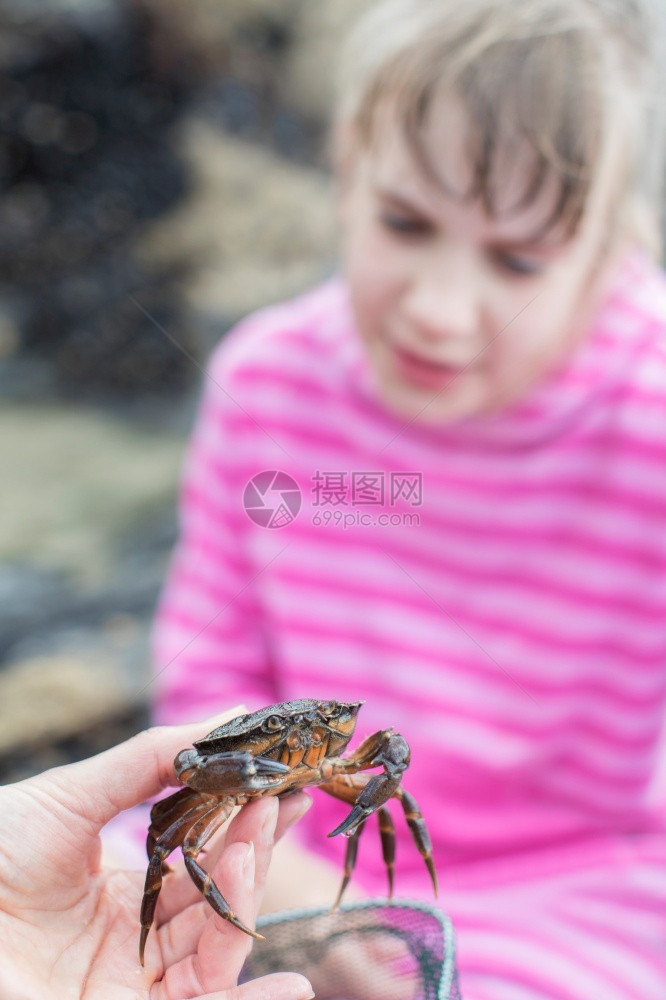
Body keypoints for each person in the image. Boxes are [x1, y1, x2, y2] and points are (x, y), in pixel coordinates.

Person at [145, 1, 666, 997]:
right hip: (284, 840)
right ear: (348, 167)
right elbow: (207, 676)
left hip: (577, 883)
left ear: (614, 244)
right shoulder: (268, 387)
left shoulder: (653, 418)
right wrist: (288, 883)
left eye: (516, 259)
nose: (437, 307)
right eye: (405, 222)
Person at [0, 712, 315, 1000]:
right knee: (174, 849)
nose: (293, 738)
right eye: (272, 727)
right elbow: (162, 826)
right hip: (218, 790)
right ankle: (156, 935)